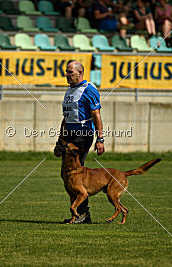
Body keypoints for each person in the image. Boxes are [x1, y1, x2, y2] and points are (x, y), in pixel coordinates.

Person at [54, 60, 105, 224]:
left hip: (83, 134)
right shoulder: (69, 91)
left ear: (80, 73)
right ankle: (79, 214)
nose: (66, 74)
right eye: (66, 71)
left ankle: (82, 214)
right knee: (65, 174)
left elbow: (96, 116)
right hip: (69, 133)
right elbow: (65, 118)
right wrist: (59, 141)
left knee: (75, 174)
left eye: (70, 72)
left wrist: (100, 138)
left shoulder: (89, 89)